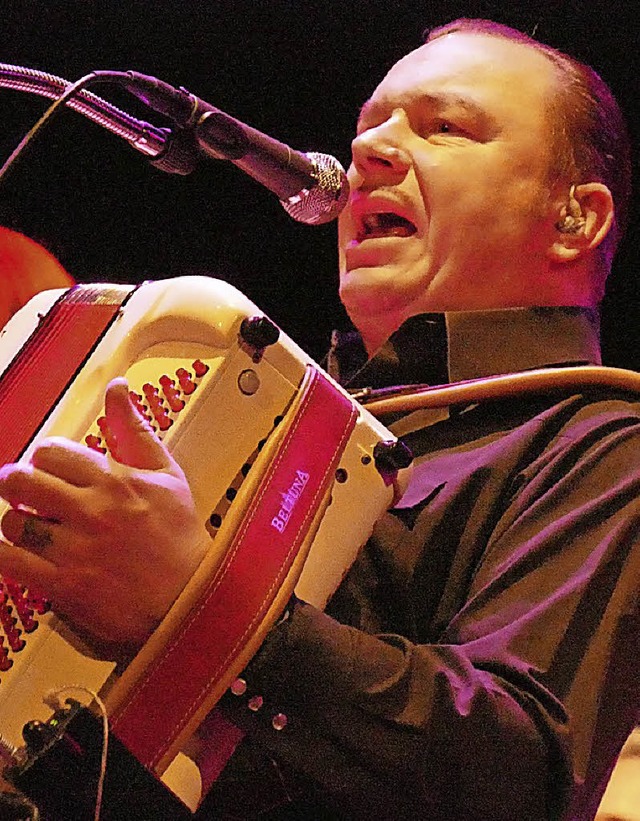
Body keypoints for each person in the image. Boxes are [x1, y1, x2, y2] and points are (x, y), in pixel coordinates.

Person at [0, 17, 636, 821]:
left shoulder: (603, 441)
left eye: (446, 128)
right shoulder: (270, 396)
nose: (371, 152)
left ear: (576, 218)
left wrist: (202, 606)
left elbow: (518, 773)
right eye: (370, 127)